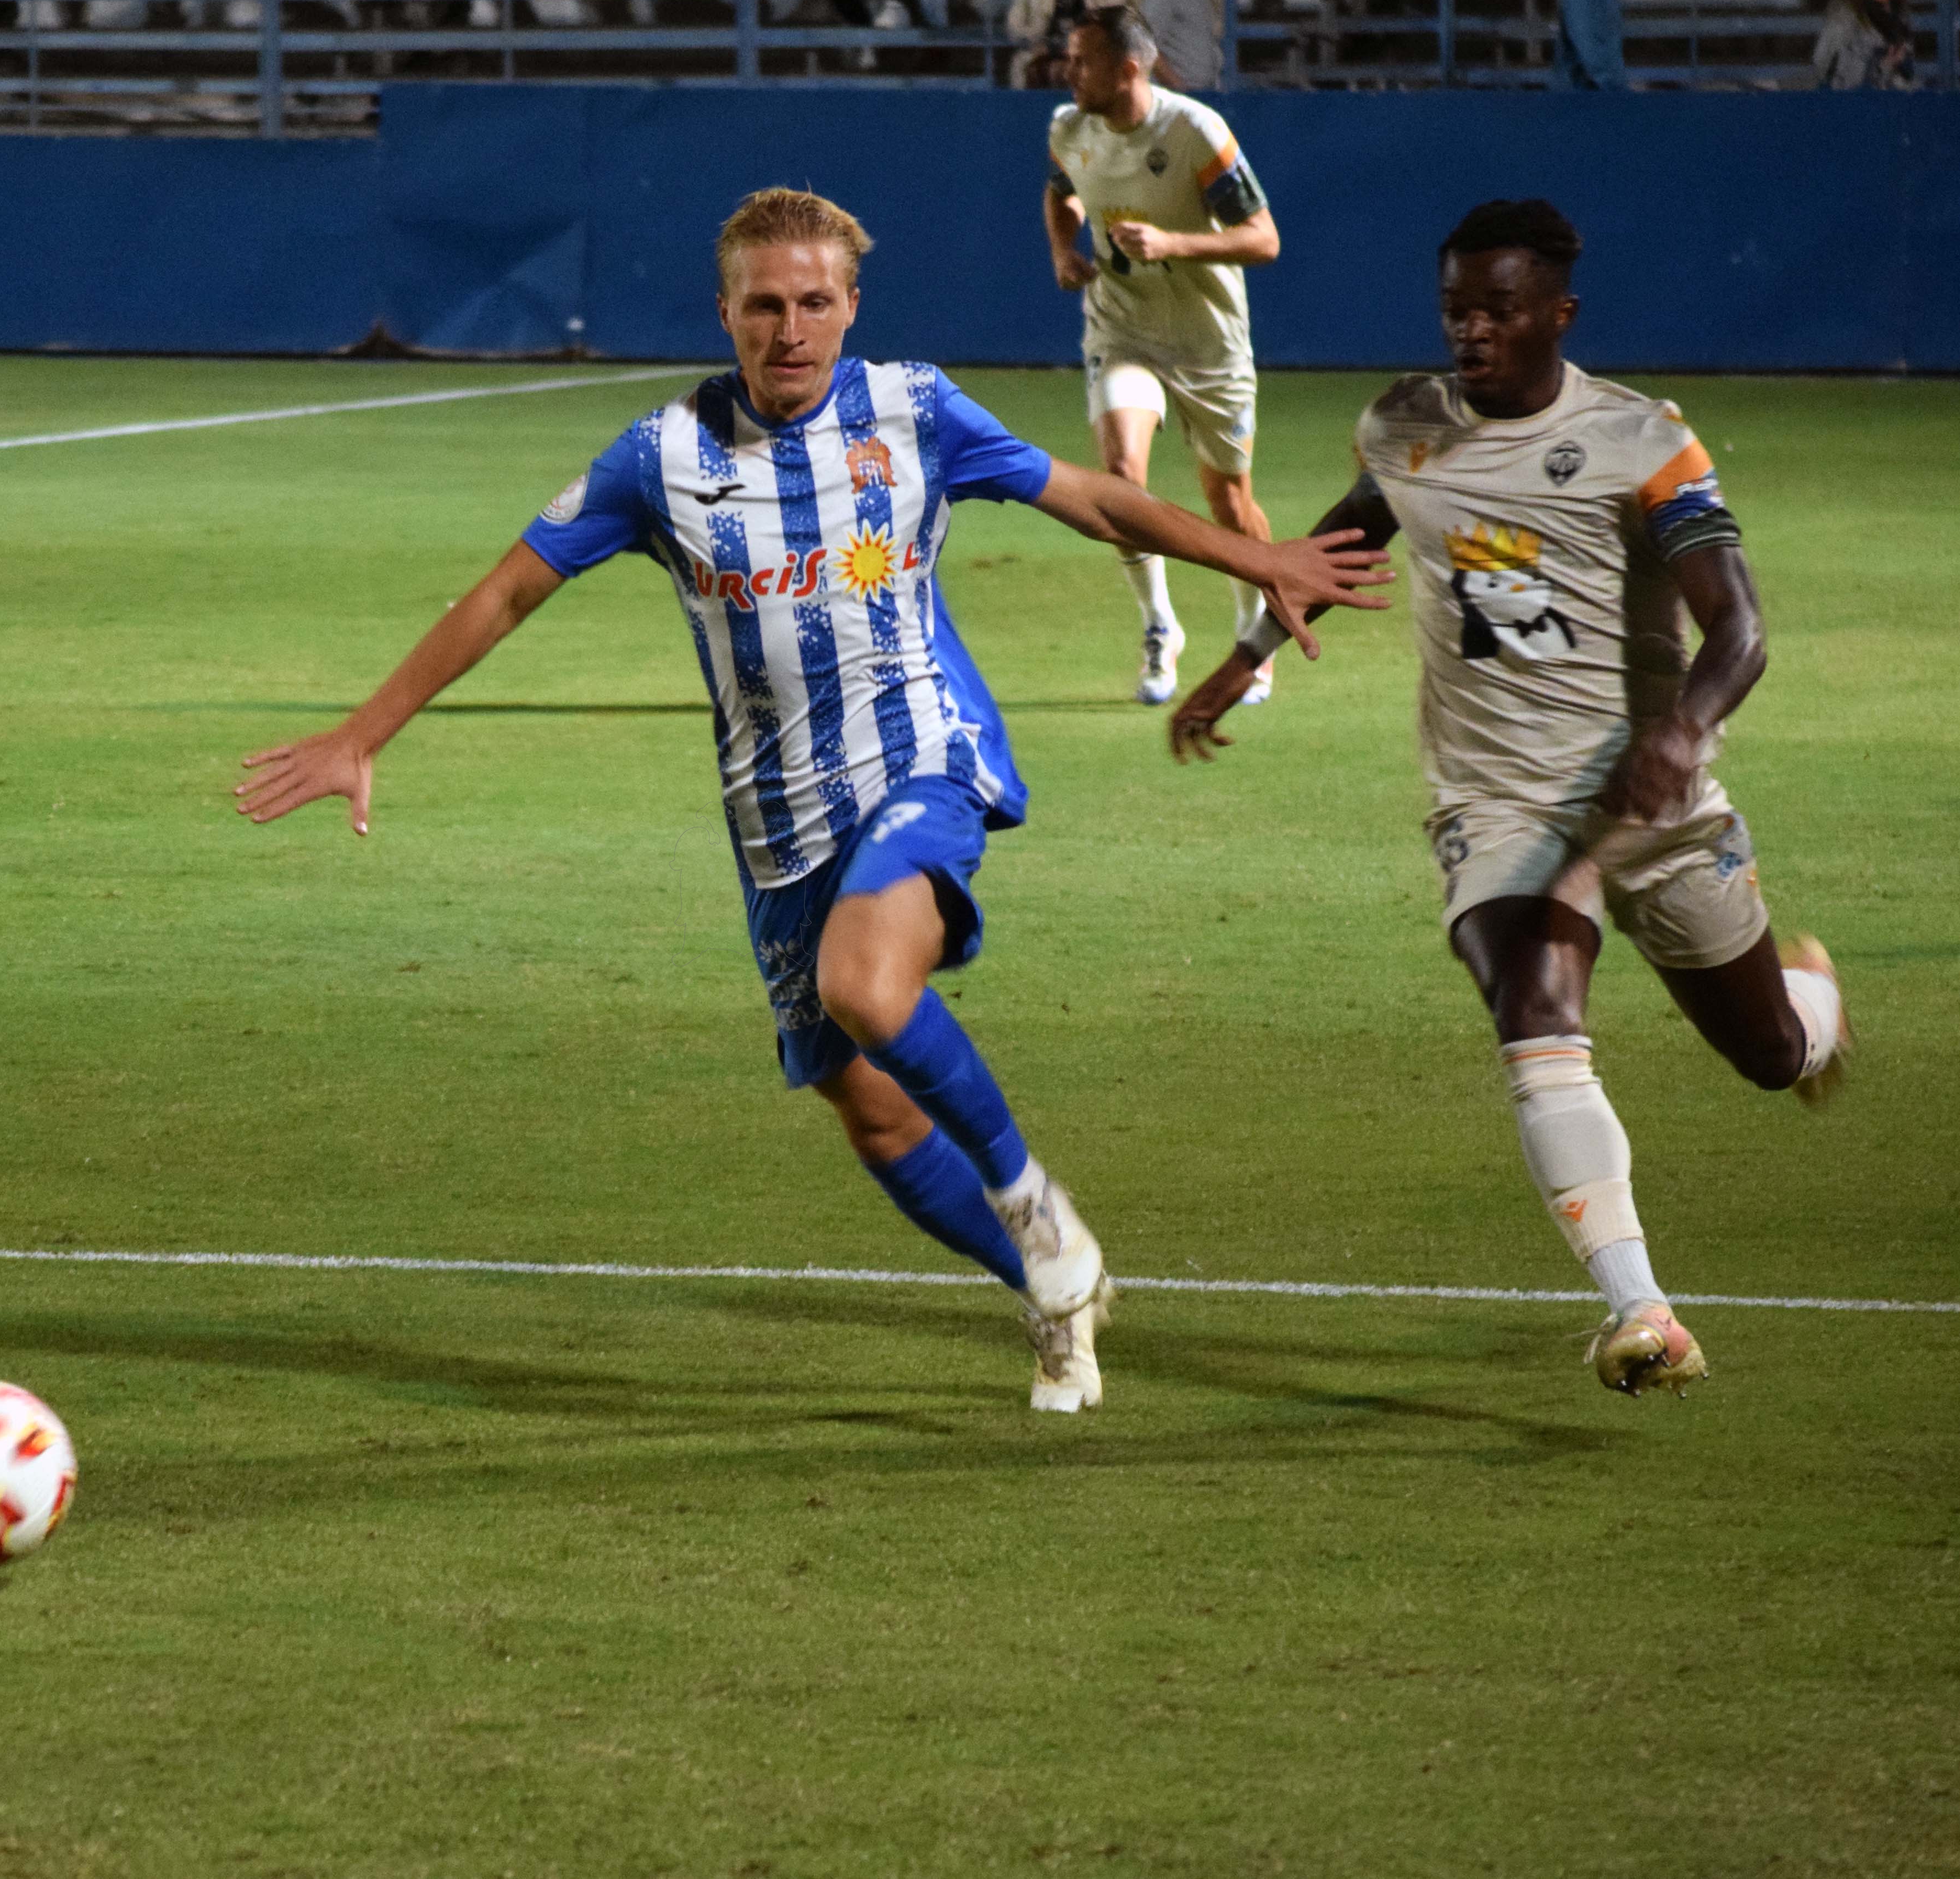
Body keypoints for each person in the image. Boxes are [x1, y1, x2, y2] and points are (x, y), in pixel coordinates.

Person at [238, 188, 1390, 1415]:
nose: (790, 330)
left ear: (851, 305)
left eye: (814, 302)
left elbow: (1095, 496)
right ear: (725, 312)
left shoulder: (915, 410)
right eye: (764, 306)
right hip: (774, 822)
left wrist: (1260, 557)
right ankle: (1054, 1292)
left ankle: (1032, 1199)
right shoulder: (661, 457)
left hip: (922, 760)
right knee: (879, 1117)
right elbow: (508, 592)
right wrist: (367, 732)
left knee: (864, 983)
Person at [1168, 199, 1853, 1400]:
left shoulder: (1643, 440)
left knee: (1769, 1054)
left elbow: (1738, 624)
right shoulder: (1404, 423)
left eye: (1496, 310)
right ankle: (1643, 1311)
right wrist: (1247, 655)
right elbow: (1351, 530)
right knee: (1533, 1012)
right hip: (1494, 799)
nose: (1470, 332)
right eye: (1454, 311)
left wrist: (1683, 733)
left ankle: (1815, 1009)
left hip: (1652, 801)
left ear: (1558, 314)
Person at [1041, 7, 1279, 704]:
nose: (1068, 71)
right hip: (1122, 329)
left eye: (1081, 60)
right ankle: (1159, 626)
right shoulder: (1068, 128)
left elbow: (1263, 238)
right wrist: (1063, 248)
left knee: (1229, 502)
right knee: (1121, 478)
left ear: (1127, 69)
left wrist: (1176, 244)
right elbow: (1062, 196)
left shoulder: (1194, 131)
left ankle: (1255, 629)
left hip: (1208, 342)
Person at [1812, 0, 1914, 90]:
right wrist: (1882, 68)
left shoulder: (1901, 16)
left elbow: (1907, 76)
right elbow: (1825, 64)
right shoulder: (1845, 15)